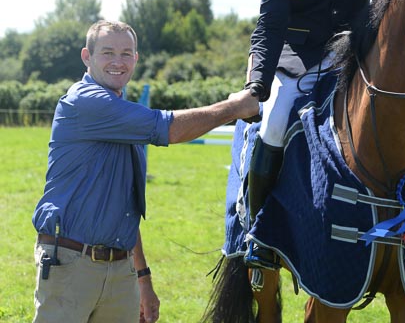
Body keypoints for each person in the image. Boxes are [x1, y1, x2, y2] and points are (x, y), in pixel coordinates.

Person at [32, 20, 259, 323]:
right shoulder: (86, 102)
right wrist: (234, 108)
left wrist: (142, 277)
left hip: (119, 270)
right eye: (108, 52)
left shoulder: (122, 114)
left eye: (127, 54)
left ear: (136, 60)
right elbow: (167, 127)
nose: (118, 61)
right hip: (72, 265)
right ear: (87, 57)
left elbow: (125, 207)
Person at [242, 0, 396, 270]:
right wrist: (257, 85)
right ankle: (257, 230)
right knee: (273, 122)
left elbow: (388, 1)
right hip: (300, 57)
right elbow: (270, 25)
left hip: (357, 51)